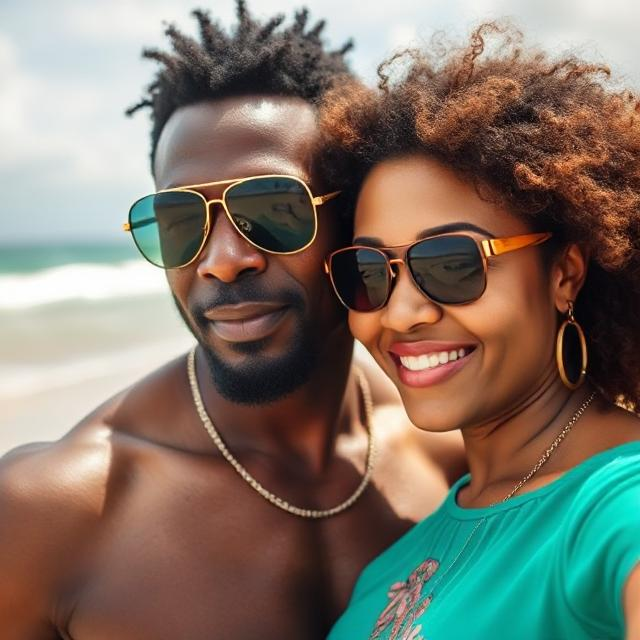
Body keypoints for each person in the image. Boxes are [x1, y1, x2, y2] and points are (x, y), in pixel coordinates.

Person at [0, 4, 466, 639]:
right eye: (180, 223)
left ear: (356, 220)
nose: (222, 262)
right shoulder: (52, 510)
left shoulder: (452, 456)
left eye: (273, 209)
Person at [319, 22, 640, 639]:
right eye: (369, 271)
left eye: (452, 264)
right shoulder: (396, 560)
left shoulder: (614, 507)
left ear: (565, 274)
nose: (402, 313)